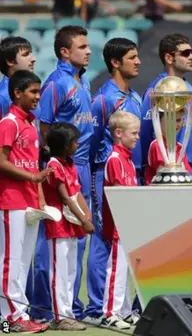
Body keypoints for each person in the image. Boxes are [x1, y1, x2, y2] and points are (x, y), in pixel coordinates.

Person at [39, 25, 95, 322]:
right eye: (82, 47)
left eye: (88, 46)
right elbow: (45, 127)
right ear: (65, 51)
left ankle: (72, 305)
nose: (88, 51)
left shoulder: (81, 81)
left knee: (78, 240)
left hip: (81, 166)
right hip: (63, 167)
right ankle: (53, 309)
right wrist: (54, 161)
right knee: (57, 241)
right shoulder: (56, 83)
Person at [87, 38, 142, 323]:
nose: (139, 61)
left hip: (131, 170)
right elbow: (93, 144)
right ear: (115, 62)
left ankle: (120, 307)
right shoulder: (103, 99)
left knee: (127, 247)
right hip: (105, 173)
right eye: (132, 57)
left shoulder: (136, 97)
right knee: (104, 241)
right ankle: (99, 307)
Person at [0, 70, 51, 334]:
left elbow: (33, 164)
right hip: (11, 200)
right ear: (17, 93)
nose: (37, 97)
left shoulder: (31, 124)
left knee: (22, 261)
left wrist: (39, 195)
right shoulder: (8, 122)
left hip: (29, 201)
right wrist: (33, 176)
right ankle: (11, 317)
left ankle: (20, 313)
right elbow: (1, 162)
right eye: (32, 91)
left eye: (39, 92)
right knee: (10, 259)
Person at [42, 122, 94, 331]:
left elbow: (77, 193)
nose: (77, 144)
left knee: (71, 271)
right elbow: (65, 198)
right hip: (59, 226)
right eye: (74, 141)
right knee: (59, 271)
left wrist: (86, 213)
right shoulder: (54, 165)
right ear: (64, 145)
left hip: (72, 225)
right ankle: (59, 316)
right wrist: (84, 220)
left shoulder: (69, 163)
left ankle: (69, 312)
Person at [100, 111, 140, 329]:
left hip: (128, 224)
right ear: (118, 133)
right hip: (118, 226)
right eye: (134, 133)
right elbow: (118, 196)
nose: (137, 137)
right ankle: (110, 313)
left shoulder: (128, 161)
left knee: (125, 269)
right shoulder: (115, 159)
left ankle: (123, 311)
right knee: (116, 268)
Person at [140, 34, 192, 179]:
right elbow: (146, 132)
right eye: (185, 53)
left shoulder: (188, 87)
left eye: (191, 52)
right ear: (169, 58)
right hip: (163, 166)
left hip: (188, 164)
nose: (191, 57)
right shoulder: (155, 90)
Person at [144, 107, 192, 185]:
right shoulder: (157, 145)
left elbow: (187, 174)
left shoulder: (180, 148)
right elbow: (163, 177)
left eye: (179, 120)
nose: (177, 124)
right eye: (171, 120)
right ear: (159, 121)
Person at [0, 37, 36, 117]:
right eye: (26, 54)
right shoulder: (2, 97)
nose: (33, 59)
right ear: (10, 61)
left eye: (31, 53)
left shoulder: (33, 90)